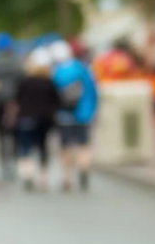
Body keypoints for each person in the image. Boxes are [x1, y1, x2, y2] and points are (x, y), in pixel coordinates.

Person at [49, 40, 98, 192]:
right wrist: (92, 111)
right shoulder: (82, 69)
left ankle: (67, 177)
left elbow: (51, 97)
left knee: (65, 147)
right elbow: (93, 92)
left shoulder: (55, 73)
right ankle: (84, 168)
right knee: (83, 145)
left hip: (64, 116)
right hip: (82, 114)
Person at [12, 47, 59, 192]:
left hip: (26, 118)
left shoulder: (25, 81)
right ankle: (43, 177)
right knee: (42, 147)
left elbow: (17, 99)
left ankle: (28, 174)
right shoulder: (49, 82)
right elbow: (56, 101)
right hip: (44, 120)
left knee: (25, 147)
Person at [0, 33, 23, 180]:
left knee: (1, 136)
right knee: (15, 136)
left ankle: (3, 165)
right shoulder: (17, 63)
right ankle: (14, 163)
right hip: (15, 103)